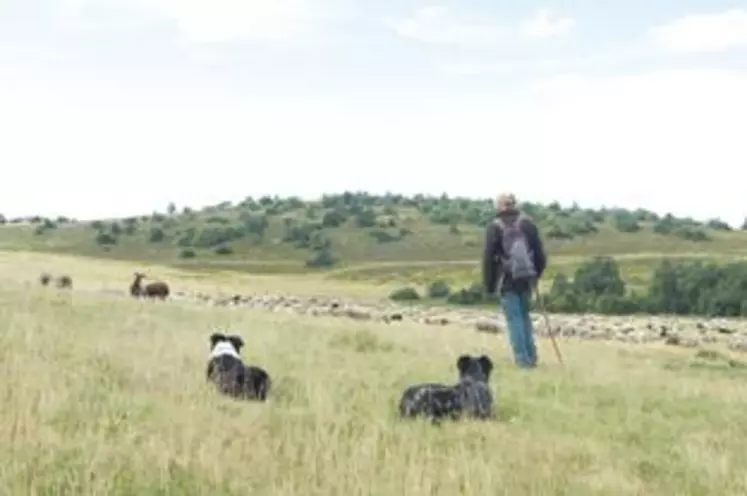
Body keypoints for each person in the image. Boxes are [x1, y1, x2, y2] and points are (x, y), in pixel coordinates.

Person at [482, 193, 547, 369]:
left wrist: (489, 286)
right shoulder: (528, 223)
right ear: (515, 204)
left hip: (506, 280)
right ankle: (532, 358)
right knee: (525, 317)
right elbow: (540, 254)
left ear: (500, 206)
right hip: (526, 278)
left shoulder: (494, 227)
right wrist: (536, 275)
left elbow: (488, 259)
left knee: (514, 320)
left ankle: (523, 362)